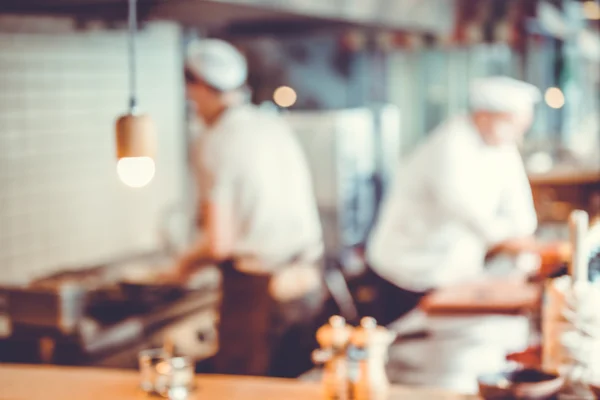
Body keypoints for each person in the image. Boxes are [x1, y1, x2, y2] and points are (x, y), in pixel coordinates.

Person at [178, 39, 325, 378]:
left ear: (199, 86)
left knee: (242, 388)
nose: (190, 101)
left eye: (189, 91)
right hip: (305, 279)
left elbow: (220, 244)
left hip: (256, 290)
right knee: (294, 383)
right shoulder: (270, 124)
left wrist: (182, 265)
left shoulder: (215, 141)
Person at [366, 76, 548, 322]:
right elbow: (473, 217)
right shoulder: (450, 146)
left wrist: (527, 248)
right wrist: (527, 246)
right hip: (406, 269)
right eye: (513, 125)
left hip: (451, 271)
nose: (518, 135)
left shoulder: (503, 146)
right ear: (484, 116)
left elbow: (520, 209)